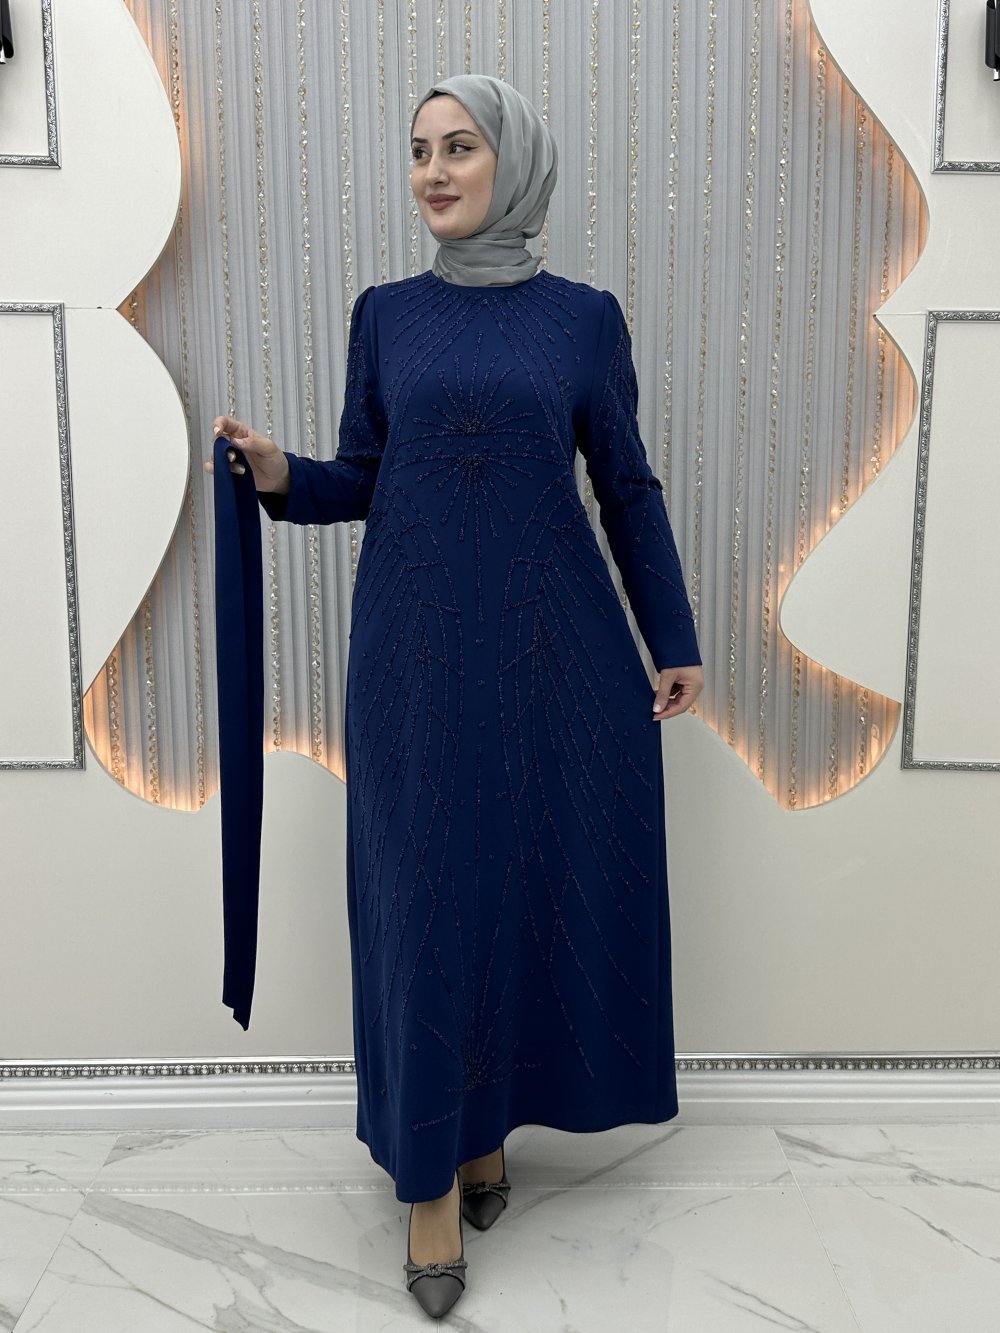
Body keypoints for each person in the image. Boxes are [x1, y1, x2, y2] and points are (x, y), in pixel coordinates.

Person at [206, 72, 703, 1320]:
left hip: (554, 656)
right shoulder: (386, 315)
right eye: (420, 151)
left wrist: (673, 636)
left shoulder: (583, 320)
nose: (433, 171)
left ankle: (485, 1137)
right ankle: (431, 1180)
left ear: (512, 163)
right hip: (413, 657)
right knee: (426, 900)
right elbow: (367, 475)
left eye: (460, 147)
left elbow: (625, 485)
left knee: (521, 886)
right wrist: (280, 473)